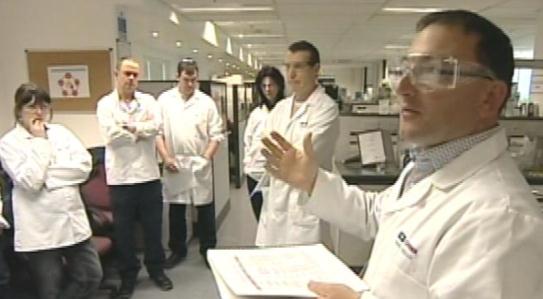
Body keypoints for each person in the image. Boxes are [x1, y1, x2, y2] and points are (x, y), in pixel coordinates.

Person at [261, 10, 543, 299]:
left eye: (434, 71)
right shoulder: (428, 166)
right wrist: (311, 180)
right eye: (406, 70)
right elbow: (375, 215)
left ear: (489, 97)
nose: (404, 88)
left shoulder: (501, 222)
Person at [0, 83, 103, 299]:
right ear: (19, 111)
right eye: (31, 107)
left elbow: (83, 167)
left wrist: (47, 177)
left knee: (91, 275)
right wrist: (39, 142)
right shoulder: (8, 143)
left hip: (72, 222)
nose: (39, 113)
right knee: (50, 289)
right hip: (40, 229)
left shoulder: (62, 133)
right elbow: (30, 181)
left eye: (43, 107)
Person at [96, 57, 172, 298]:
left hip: (148, 177)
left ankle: (157, 270)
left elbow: (157, 127)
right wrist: (140, 130)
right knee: (125, 233)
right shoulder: (105, 104)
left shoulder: (149, 101)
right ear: (116, 74)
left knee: (153, 228)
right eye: (127, 73)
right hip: (121, 180)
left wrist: (129, 128)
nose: (131, 79)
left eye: (135, 75)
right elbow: (111, 136)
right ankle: (129, 276)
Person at [255, 40, 340, 246]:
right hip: (276, 202)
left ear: (316, 70)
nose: (291, 74)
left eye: (299, 67)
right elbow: (264, 148)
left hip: (305, 203)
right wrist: (287, 154)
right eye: (288, 67)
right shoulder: (281, 108)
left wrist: (285, 156)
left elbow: (303, 159)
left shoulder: (326, 109)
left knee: (307, 271)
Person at [156, 58, 224, 269]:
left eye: (194, 79)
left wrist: (206, 157)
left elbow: (216, 135)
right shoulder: (165, 100)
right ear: (178, 76)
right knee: (177, 209)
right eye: (186, 79)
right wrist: (166, 157)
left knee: (204, 209)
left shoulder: (206, 102)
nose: (191, 84)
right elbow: (157, 133)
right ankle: (178, 249)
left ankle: (208, 250)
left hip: (199, 161)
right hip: (174, 161)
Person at [243, 66, 285, 221]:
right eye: (264, 86)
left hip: (278, 174)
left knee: (277, 220)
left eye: (271, 85)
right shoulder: (256, 113)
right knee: (260, 218)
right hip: (255, 173)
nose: (268, 90)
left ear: (279, 86)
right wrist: (248, 163)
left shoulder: (286, 110)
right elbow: (247, 140)